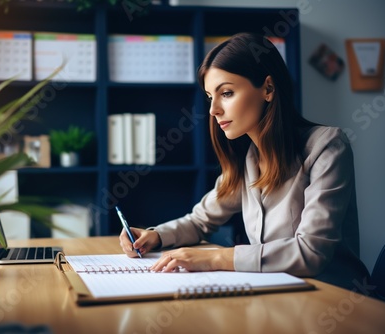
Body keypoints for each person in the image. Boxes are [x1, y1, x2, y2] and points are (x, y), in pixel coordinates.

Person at [119, 32, 369, 290]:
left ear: (268, 89)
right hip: (276, 296)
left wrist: (217, 257)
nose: (213, 109)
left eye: (226, 93)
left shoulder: (326, 146)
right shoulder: (247, 157)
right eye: (209, 97)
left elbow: (311, 252)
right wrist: (155, 236)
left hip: (333, 300)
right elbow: (199, 220)